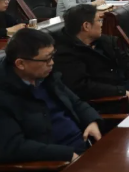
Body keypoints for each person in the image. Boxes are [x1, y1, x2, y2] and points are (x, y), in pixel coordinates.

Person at [0, 28, 102, 164]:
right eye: (46, 59)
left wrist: (91, 120)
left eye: (52, 56)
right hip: (55, 163)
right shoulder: (5, 95)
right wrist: (65, 154)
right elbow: (14, 146)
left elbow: (76, 102)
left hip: (85, 147)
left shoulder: (47, 78)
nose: (52, 63)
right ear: (21, 64)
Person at [53, 4, 129, 111]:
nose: (101, 24)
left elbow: (125, 65)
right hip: (109, 101)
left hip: (128, 89)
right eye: (99, 20)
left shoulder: (105, 41)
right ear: (86, 26)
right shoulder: (66, 54)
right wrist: (121, 92)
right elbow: (83, 87)